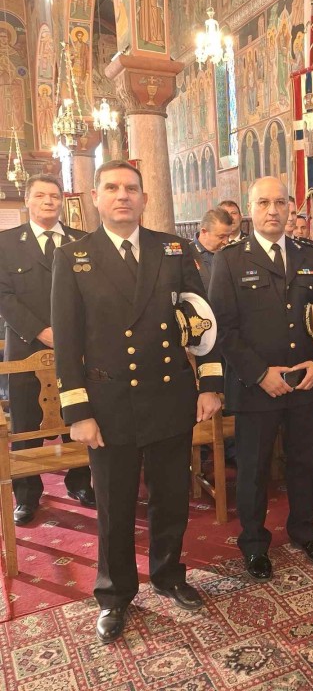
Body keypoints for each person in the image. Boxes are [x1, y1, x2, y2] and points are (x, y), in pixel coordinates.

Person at [52, 161, 223, 644]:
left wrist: (210, 384)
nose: (122, 195)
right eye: (112, 187)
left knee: (171, 497)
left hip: (169, 395)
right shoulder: (74, 257)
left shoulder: (172, 248)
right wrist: (78, 412)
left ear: (145, 198)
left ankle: (168, 575)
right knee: (115, 505)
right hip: (108, 404)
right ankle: (114, 594)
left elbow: (203, 321)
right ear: (95, 197)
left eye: (131, 188)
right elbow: (67, 342)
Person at [209, 176, 313, 582]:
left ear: (290, 208)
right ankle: (254, 543)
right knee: (253, 469)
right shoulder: (230, 259)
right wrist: (258, 373)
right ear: (250, 209)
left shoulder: (310, 254)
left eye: (280, 202)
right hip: (256, 387)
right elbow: (223, 328)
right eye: (264, 203)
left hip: (304, 381)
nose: (273, 210)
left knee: (304, 462)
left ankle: (305, 531)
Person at [0, 174, 94, 526]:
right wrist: (41, 330)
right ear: (27, 200)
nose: (48, 202)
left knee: (78, 413)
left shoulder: (81, 241)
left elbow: (93, 294)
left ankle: (80, 482)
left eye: (54, 196)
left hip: (76, 347)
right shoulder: (6, 243)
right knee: (26, 422)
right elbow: (4, 296)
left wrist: (69, 333)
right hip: (25, 348)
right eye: (40, 196)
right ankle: (26, 495)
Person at [191, 207, 233, 291]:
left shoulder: (230, 253)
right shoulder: (187, 254)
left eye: (228, 236)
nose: (226, 242)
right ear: (204, 232)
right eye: (221, 237)